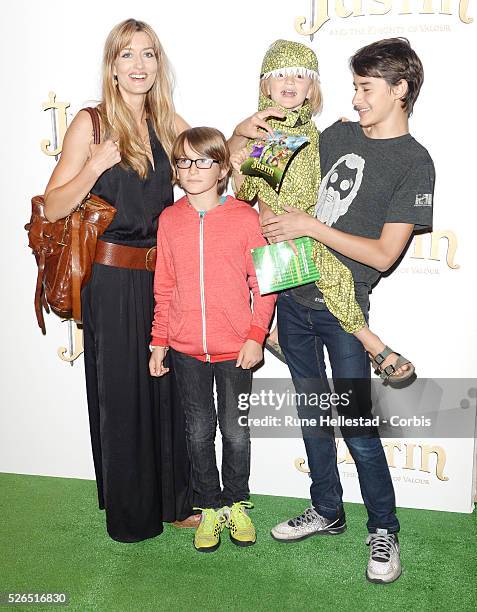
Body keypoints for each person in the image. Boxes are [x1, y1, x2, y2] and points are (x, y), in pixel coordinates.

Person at [231, 38, 435, 583]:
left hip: (342, 303)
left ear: (400, 90)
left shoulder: (415, 164)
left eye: (367, 88)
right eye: (354, 86)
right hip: (293, 296)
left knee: (357, 426)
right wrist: (241, 137)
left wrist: (307, 225)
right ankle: (326, 508)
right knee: (313, 417)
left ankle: (383, 529)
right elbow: (268, 166)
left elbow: (384, 255)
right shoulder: (337, 134)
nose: (357, 98)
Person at [43, 18, 198, 542]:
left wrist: (247, 136)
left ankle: (176, 499)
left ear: (159, 64)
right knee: (124, 393)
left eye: (149, 54)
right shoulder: (91, 123)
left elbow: (209, 167)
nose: (139, 65)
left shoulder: (169, 121)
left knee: (169, 385)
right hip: (110, 280)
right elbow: (54, 207)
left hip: (163, 277)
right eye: (127, 55)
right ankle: (132, 514)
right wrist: (93, 167)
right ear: (112, 66)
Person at [231, 39, 414, 384]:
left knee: (329, 266)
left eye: (299, 77)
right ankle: (373, 344)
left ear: (312, 87)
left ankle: (275, 335)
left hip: (305, 232)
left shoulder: (320, 134)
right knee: (328, 269)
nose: (289, 84)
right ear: (265, 84)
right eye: (280, 76)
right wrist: (238, 160)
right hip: (284, 239)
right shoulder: (268, 135)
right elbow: (246, 191)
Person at [149, 127, 276, 552]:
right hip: (185, 350)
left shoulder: (245, 217)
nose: (193, 169)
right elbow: (164, 285)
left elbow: (264, 283)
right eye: (184, 161)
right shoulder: (169, 220)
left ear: (222, 169)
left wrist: (256, 335)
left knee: (236, 431)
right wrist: (158, 341)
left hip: (236, 347)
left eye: (204, 161)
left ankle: (236, 502)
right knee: (199, 432)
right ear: (176, 170)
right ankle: (209, 508)